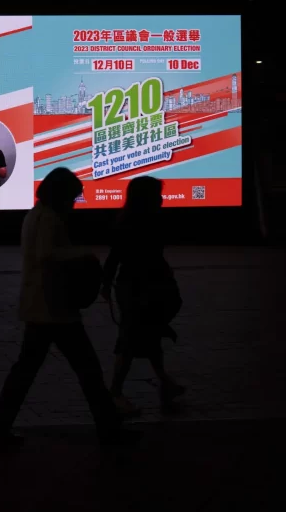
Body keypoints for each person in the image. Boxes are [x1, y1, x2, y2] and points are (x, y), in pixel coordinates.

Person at [0, 167, 136, 447]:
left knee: (26, 371)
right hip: (54, 309)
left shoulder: (37, 214)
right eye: (72, 198)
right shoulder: (48, 219)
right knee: (87, 370)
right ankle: (109, 429)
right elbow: (47, 254)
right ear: (62, 195)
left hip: (42, 308)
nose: (73, 205)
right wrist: (85, 254)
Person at [100, 176, 185, 416]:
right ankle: (115, 392)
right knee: (131, 340)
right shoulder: (140, 223)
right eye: (157, 194)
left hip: (140, 286)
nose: (161, 198)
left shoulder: (131, 221)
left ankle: (163, 382)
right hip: (139, 289)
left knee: (147, 336)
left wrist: (106, 284)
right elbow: (117, 257)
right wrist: (106, 284)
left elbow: (114, 258)